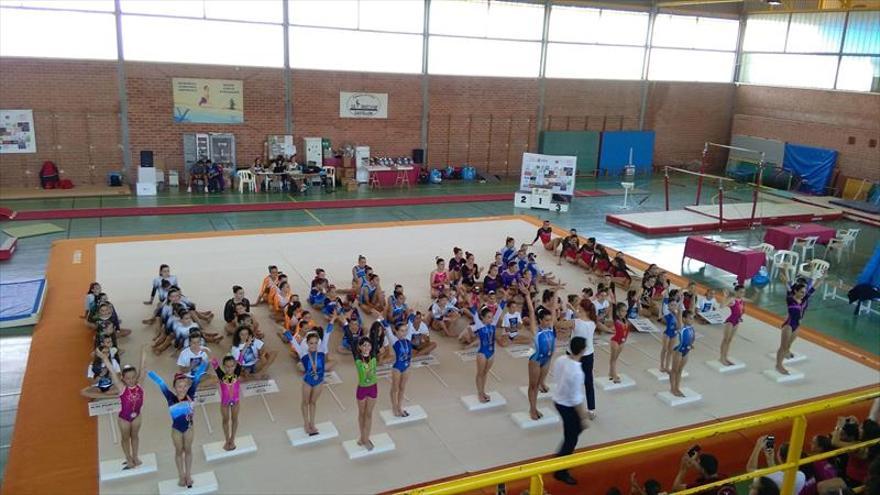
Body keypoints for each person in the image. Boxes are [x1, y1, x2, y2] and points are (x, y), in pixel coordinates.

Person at [147, 363, 208, 489]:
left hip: (189, 428)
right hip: (176, 430)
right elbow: (161, 383)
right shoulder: (170, 397)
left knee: (189, 450)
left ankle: (188, 474)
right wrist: (149, 373)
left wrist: (204, 365)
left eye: (185, 386)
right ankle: (181, 475)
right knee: (179, 451)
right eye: (179, 386)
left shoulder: (190, 393)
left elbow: (196, 378)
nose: (183, 388)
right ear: (174, 387)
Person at [551, 336, 590, 486]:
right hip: (567, 405)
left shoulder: (561, 359)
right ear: (582, 350)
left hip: (558, 400)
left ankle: (561, 458)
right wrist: (584, 417)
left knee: (573, 432)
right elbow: (576, 400)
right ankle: (560, 470)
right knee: (571, 438)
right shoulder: (577, 372)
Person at [289, 321, 337, 435]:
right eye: (311, 343)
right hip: (308, 382)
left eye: (316, 343)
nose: (313, 345)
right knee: (305, 402)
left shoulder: (321, 351)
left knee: (313, 403)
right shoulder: (303, 353)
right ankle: (306, 423)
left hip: (319, 382)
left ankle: (312, 423)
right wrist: (284, 330)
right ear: (307, 343)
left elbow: (327, 335)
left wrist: (332, 321)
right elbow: (292, 341)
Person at [104, 347, 146, 470]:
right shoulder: (122, 388)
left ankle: (135, 456)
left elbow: (143, 369)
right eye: (128, 378)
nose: (131, 380)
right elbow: (112, 371)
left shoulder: (140, 385)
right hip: (124, 419)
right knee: (125, 438)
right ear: (123, 378)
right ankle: (128, 458)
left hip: (137, 416)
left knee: (135, 436)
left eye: (133, 377)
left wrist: (143, 352)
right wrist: (105, 358)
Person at [343, 324, 384, 450]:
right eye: (364, 345)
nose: (367, 347)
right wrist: (345, 324)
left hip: (373, 388)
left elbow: (379, 338)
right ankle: (362, 436)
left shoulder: (373, 355)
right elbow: (350, 338)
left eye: (369, 345)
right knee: (362, 413)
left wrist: (381, 326)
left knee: (369, 414)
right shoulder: (357, 357)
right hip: (362, 389)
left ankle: (367, 437)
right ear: (359, 348)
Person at [464, 296, 506, 403]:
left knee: (485, 373)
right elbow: (473, 311)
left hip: (492, 353)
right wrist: (467, 298)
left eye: (491, 317)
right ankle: (480, 393)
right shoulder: (479, 324)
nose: (491, 319)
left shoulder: (493, 324)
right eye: (488, 317)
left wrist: (505, 297)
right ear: (482, 318)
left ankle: (483, 391)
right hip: (482, 353)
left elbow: (499, 310)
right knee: (480, 373)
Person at [523, 285, 556, 420]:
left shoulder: (550, 327)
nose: (549, 322)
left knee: (540, 384)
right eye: (546, 320)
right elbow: (531, 312)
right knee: (533, 385)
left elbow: (553, 310)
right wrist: (527, 296)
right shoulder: (536, 331)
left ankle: (535, 407)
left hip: (546, 360)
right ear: (540, 320)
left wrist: (557, 290)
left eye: (550, 320)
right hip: (536, 360)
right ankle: (532, 409)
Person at [211, 353, 245, 451]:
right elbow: (214, 364)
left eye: (232, 366)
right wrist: (208, 353)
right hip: (225, 403)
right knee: (225, 420)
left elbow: (241, 358)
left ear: (235, 366)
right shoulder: (221, 375)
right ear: (224, 367)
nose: (229, 369)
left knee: (235, 419)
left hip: (236, 401)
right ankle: (227, 440)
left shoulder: (237, 373)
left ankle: (232, 439)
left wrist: (246, 345)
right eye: (227, 366)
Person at [671, 448, 737, 495]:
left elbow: (675, 488)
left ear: (702, 469)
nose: (694, 464)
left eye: (697, 462)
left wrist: (683, 469)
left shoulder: (701, 487)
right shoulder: (725, 477)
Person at [384, 320, 414, 418]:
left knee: (402, 387)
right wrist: (380, 317)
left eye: (405, 331)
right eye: (401, 331)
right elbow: (387, 327)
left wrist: (411, 313)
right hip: (397, 367)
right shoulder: (394, 340)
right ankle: (394, 407)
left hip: (407, 366)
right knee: (395, 388)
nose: (404, 333)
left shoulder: (408, 337)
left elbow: (411, 321)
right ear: (396, 332)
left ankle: (400, 406)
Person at [574, 298, 597, 419]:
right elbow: (580, 317)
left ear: (582, 309)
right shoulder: (593, 322)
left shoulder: (576, 322)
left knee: (574, 381)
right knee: (589, 382)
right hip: (589, 354)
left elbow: (558, 324)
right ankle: (591, 409)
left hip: (576, 355)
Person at [670, 310, 695, 397]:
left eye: (693, 318)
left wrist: (691, 345)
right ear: (684, 319)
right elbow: (679, 315)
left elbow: (692, 338)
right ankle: (672, 388)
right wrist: (681, 302)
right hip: (679, 351)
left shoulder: (691, 328)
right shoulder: (682, 327)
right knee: (674, 370)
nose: (692, 320)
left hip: (686, 351)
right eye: (690, 318)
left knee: (680, 370)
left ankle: (677, 387)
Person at [720, 285, 745, 366]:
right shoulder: (732, 299)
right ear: (736, 292)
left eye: (743, 292)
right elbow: (722, 306)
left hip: (737, 322)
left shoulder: (741, 300)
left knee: (729, 341)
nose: (742, 294)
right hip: (730, 322)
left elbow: (740, 310)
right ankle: (722, 358)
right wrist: (724, 296)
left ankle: (725, 357)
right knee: (725, 340)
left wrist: (757, 293)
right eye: (741, 292)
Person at [608, 302, 629, 384]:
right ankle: (614, 375)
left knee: (615, 359)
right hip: (615, 341)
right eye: (622, 311)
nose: (624, 313)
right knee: (613, 359)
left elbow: (626, 332)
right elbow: (613, 306)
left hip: (622, 341)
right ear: (618, 312)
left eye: (625, 311)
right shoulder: (615, 320)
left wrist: (624, 341)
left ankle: (610, 373)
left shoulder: (626, 320)